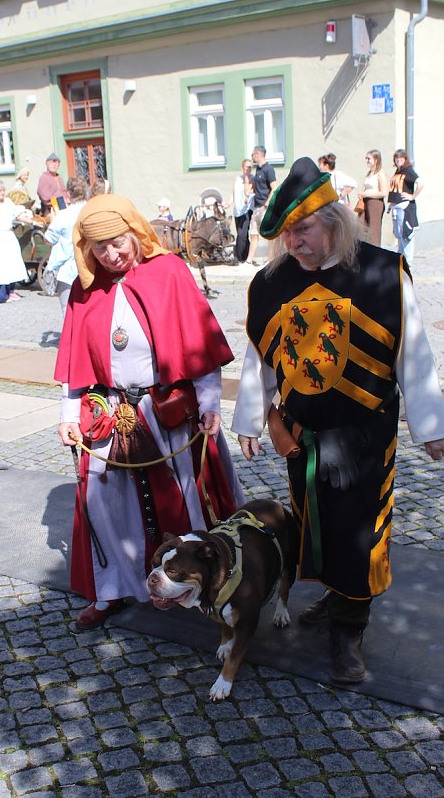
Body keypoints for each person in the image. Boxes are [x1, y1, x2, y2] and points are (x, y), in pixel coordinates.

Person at [232, 156, 444, 685]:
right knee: (314, 526)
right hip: (301, 437)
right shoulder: (271, 282)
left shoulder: (381, 271)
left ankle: (349, 631)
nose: (294, 243)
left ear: (335, 218)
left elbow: (413, 355)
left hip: (364, 439)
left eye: (303, 229)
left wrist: (432, 425)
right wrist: (251, 417)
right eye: (286, 233)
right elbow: (257, 356)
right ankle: (335, 598)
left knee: (357, 533)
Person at [55, 193, 245, 630]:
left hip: (166, 413)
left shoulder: (169, 273)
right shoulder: (84, 291)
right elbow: (74, 366)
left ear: (135, 231)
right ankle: (111, 590)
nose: (112, 253)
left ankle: (202, 588)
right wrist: (68, 414)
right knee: (105, 507)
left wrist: (211, 403)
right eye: (100, 247)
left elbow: (197, 347)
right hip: (107, 412)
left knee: (183, 499)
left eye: (118, 241)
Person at [44, 176, 88, 317]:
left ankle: (71, 339)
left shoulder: (63, 215)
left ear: (68, 193)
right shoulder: (90, 211)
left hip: (67, 269)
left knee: (68, 310)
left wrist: (52, 220)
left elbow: (48, 240)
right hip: (89, 266)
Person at [387, 149, 424, 268]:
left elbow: (420, 183)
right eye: (397, 158)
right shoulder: (398, 171)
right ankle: (401, 267)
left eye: (401, 158)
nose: (398, 160)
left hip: (404, 209)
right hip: (396, 208)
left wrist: (412, 196)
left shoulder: (408, 171)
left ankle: (408, 266)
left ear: (405, 159)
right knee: (399, 237)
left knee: (406, 236)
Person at [246, 146, 277, 265]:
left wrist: (267, 203)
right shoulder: (258, 170)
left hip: (265, 207)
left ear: (259, 154)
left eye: (253, 154)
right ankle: (249, 260)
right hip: (256, 207)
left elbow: (274, 188)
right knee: (253, 234)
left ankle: (270, 259)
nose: (252, 157)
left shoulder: (269, 169)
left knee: (268, 234)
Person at [356, 149, 388, 246]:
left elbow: (384, 192)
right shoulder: (370, 173)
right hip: (365, 203)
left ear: (376, 159)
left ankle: (375, 253)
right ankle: (363, 251)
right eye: (366, 158)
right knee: (361, 228)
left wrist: (366, 194)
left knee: (374, 231)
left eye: (369, 159)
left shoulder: (380, 173)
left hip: (375, 203)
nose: (366, 161)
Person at [229, 158, 254, 263]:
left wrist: (247, 178)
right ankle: (245, 255)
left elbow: (247, 191)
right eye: (246, 167)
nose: (248, 169)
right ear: (242, 167)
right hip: (237, 210)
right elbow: (233, 192)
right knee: (243, 235)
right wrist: (228, 202)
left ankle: (239, 258)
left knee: (241, 234)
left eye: (250, 167)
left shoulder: (253, 179)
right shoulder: (238, 178)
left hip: (247, 210)